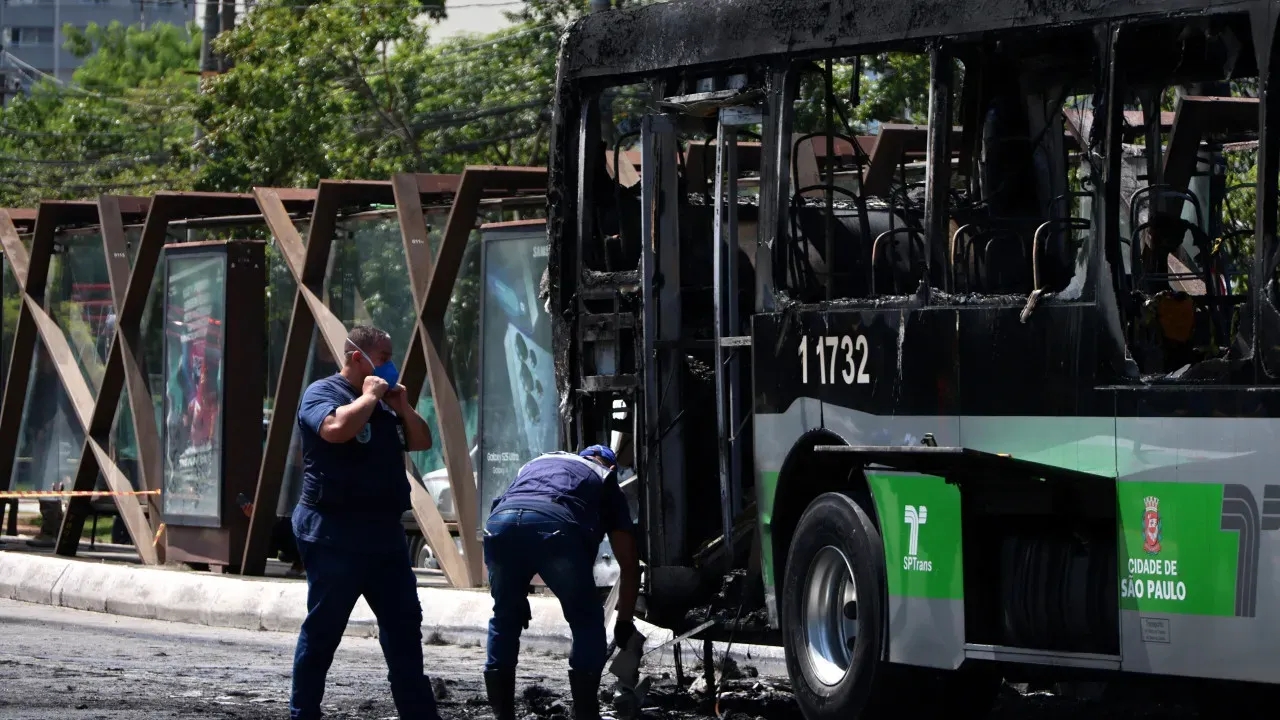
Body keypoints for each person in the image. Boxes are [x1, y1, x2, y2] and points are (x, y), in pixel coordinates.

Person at [289, 325, 442, 720]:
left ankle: (418, 712)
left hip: (384, 535)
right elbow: (336, 429)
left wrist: (402, 406)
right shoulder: (322, 393)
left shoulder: (387, 404)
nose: (391, 366)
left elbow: (422, 441)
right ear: (358, 357)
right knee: (325, 629)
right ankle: (303, 712)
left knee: (404, 624)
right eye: (385, 357)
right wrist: (371, 397)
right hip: (334, 531)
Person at [482, 444, 641, 720]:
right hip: (554, 527)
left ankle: (502, 714)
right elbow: (629, 563)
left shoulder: (537, 464)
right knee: (586, 620)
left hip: (499, 524)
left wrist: (516, 594)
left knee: (504, 617)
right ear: (611, 466)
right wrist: (624, 623)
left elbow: (510, 513)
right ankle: (585, 712)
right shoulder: (604, 477)